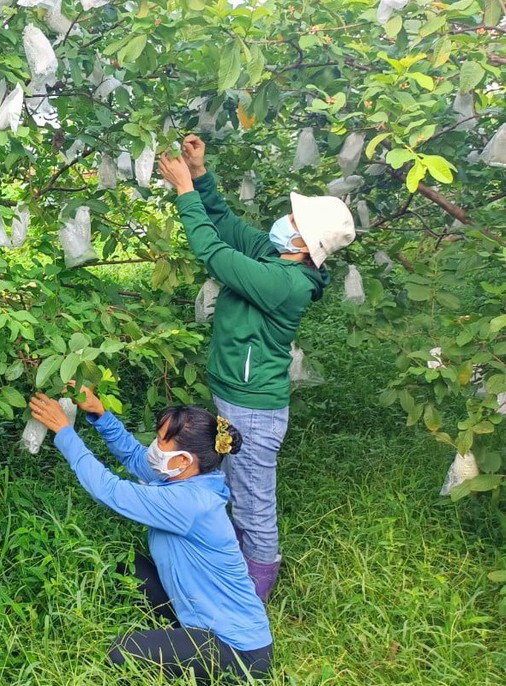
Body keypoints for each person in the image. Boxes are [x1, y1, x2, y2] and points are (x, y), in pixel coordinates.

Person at [157, 136, 356, 601]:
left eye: (293, 220)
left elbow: (214, 253)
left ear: (305, 243)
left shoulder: (285, 282)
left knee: (252, 505)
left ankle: (252, 600)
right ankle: (230, 572)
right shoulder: (274, 256)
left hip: (252, 412)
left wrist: (184, 192)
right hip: (234, 401)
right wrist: (200, 174)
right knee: (231, 482)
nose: (283, 221)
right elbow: (224, 225)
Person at [28, 387, 272, 684]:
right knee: (126, 565)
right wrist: (99, 413)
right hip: (201, 618)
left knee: (122, 652)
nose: (153, 448)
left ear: (183, 460)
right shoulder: (190, 476)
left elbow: (109, 490)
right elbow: (134, 456)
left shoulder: (190, 504)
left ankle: (191, 660)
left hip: (238, 651)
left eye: (160, 442)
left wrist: (65, 433)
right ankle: (182, 636)